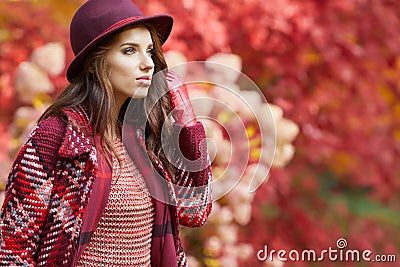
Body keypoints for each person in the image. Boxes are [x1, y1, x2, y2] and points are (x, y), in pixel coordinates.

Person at [0, 0, 212, 266]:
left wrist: (187, 124)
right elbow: (12, 250)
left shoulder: (144, 137)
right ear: (92, 64)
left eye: (149, 51)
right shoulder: (55, 137)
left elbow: (196, 211)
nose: (148, 64)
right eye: (129, 51)